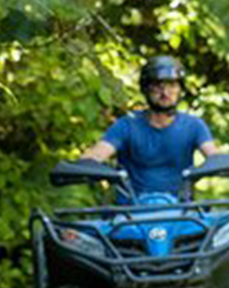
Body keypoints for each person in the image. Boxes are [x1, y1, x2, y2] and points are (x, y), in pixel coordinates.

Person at [80, 56, 220, 204]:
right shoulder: (127, 125)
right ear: (146, 89)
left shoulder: (194, 125)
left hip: (180, 212)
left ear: (180, 89)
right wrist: (86, 165)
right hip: (129, 213)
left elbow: (214, 157)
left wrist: (226, 164)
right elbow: (97, 155)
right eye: (157, 85)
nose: (165, 92)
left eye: (171, 85)